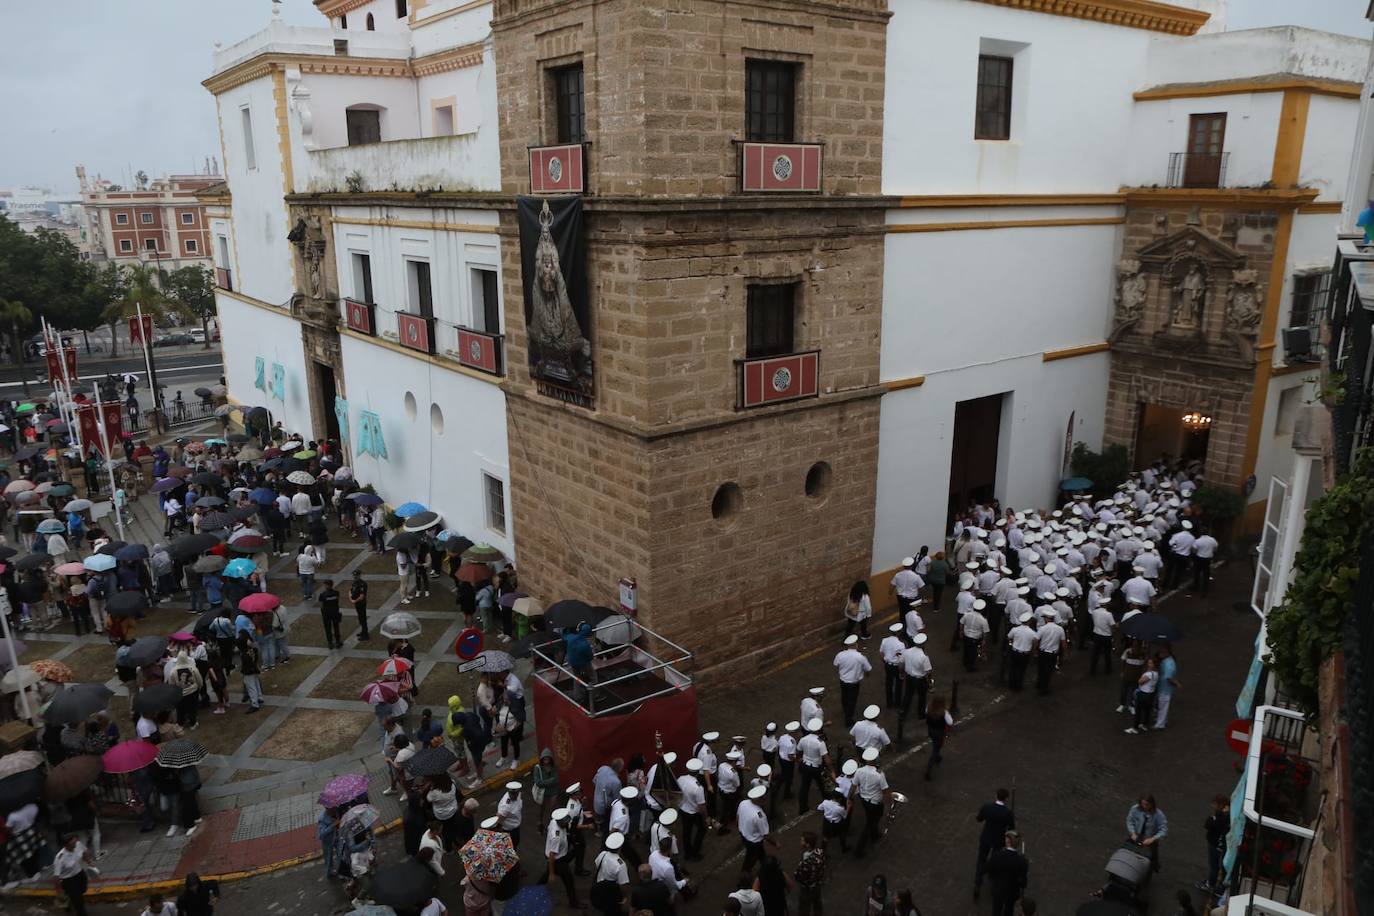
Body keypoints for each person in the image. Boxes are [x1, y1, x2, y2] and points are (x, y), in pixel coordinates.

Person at [974, 789, 1016, 898]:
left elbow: (979, 819)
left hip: (986, 838)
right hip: (998, 840)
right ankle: (992, 878)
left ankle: (978, 882)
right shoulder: (1008, 813)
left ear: (996, 796)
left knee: (981, 859)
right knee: (995, 860)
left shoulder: (987, 807)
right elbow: (1011, 829)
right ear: (1006, 799)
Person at [852, 747, 890, 857]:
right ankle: (859, 849)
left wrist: (849, 798)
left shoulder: (859, 771)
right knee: (871, 822)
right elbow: (885, 791)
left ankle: (875, 835)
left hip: (864, 800)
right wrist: (889, 803)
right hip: (875, 803)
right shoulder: (879, 774)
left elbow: (853, 786)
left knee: (870, 818)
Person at [542, 807, 583, 907]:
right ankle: (573, 902)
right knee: (569, 881)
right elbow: (552, 855)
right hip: (558, 861)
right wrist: (552, 874)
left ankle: (536, 889)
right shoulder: (557, 837)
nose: (567, 823)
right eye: (565, 822)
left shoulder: (553, 822)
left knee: (545, 876)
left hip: (558, 856)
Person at [984, 831, 1028, 916]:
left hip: (998, 889)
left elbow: (987, 868)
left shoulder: (997, 855)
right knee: (1009, 910)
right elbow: (1023, 881)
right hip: (1012, 892)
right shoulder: (1022, 862)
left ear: (1008, 842)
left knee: (996, 910)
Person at [52, 834, 96, 916]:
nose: (75, 845)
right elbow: (56, 877)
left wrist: (89, 862)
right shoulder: (60, 858)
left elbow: (84, 852)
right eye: (72, 844)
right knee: (78, 901)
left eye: (75, 842)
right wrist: (59, 892)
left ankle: (69, 900)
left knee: (83, 889)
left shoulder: (78, 844)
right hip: (68, 880)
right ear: (66, 845)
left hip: (79, 874)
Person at [833, 635, 871, 728]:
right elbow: (868, 669)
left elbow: (836, 664)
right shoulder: (860, 657)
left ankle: (845, 709)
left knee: (844, 696)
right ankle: (848, 719)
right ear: (855, 644)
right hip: (854, 682)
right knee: (852, 700)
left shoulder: (840, 655)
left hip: (843, 680)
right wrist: (866, 674)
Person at [591, 832, 631, 916]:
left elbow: (597, 864)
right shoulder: (621, 864)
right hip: (612, 891)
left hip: (600, 886)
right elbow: (623, 884)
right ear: (620, 847)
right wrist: (625, 897)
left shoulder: (603, 854)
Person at [1126, 795, 1168, 872]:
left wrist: (1153, 839)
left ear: (1152, 804)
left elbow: (1163, 829)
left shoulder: (1158, 814)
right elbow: (1130, 821)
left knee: (1151, 858)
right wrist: (1132, 833)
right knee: (1128, 851)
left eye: (1147, 805)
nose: (1144, 806)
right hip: (1136, 835)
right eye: (1143, 804)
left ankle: (1153, 867)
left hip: (1150, 839)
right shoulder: (1135, 809)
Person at [1198, 794, 1229, 896]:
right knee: (1221, 866)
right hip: (1221, 845)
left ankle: (1211, 885)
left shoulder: (1220, 817)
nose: (1212, 805)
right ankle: (1219, 885)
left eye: (1215, 804)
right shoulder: (1226, 816)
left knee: (1214, 866)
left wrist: (1213, 818)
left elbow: (1208, 824)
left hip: (1216, 845)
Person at [793, 831, 827, 916]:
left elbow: (798, 876)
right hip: (818, 884)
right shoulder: (820, 852)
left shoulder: (806, 864)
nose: (800, 842)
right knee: (817, 903)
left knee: (804, 908)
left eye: (802, 841)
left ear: (807, 845)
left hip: (807, 889)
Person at [1125, 657, 1159, 735]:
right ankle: (1144, 724)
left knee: (1138, 711)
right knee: (1147, 710)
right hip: (1150, 694)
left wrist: (1141, 678)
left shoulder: (1149, 674)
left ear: (1154, 665)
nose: (1148, 664)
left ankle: (1135, 728)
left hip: (1143, 694)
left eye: (1150, 663)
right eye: (1149, 663)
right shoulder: (1156, 674)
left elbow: (1140, 681)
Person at [923, 695, 952, 781]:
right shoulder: (944, 712)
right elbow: (950, 722)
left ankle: (938, 756)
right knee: (936, 749)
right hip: (939, 732)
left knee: (936, 745)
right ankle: (928, 770)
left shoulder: (929, 708)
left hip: (931, 730)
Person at [1154, 645, 1181, 730]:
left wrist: (1177, 684)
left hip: (1165, 689)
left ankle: (1160, 724)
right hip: (1163, 688)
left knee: (1163, 707)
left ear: (1166, 653)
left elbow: (1169, 678)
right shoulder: (1167, 661)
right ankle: (1161, 720)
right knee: (1162, 706)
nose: (1159, 654)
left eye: (1161, 653)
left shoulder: (1169, 664)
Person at [350, 569, 370, 640]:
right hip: (357, 603)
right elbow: (350, 591)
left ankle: (365, 634)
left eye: (356, 575)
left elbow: (362, 596)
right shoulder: (354, 583)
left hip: (361, 604)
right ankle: (363, 631)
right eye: (354, 575)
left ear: (359, 575)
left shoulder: (362, 584)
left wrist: (354, 601)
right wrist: (351, 598)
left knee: (363, 618)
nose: (355, 577)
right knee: (360, 618)